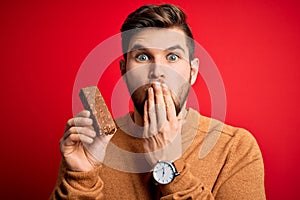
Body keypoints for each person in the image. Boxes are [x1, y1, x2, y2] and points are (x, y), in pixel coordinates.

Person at [51, 4, 265, 199]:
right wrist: (81, 177)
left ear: (192, 72)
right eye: (143, 57)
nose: (157, 71)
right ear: (124, 70)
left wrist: (170, 165)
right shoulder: (91, 145)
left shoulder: (235, 147)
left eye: (172, 57)